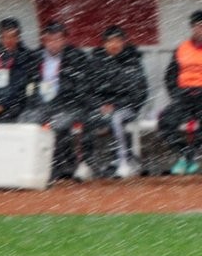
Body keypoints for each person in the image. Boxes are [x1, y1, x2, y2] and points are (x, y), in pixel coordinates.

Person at [21, 22, 91, 180]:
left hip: (68, 106)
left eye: (58, 39)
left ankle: (56, 166)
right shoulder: (35, 57)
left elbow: (81, 88)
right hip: (41, 104)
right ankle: (29, 166)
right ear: (44, 40)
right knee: (26, 122)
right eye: (50, 39)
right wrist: (34, 102)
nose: (53, 43)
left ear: (65, 40)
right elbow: (29, 84)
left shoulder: (76, 57)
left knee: (57, 125)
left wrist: (64, 98)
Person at [86, 25, 148, 179]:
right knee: (84, 119)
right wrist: (99, 105)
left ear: (123, 42)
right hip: (101, 107)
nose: (114, 45)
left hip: (127, 108)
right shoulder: (95, 63)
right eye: (110, 41)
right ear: (104, 44)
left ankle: (123, 162)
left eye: (117, 41)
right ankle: (86, 164)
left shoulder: (132, 62)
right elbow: (86, 90)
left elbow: (139, 93)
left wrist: (115, 106)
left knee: (116, 119)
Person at [158, 10, 202, 175]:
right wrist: (176, 94)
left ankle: (192, 155)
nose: (201, 30)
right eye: (198, 26)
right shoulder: (182, 49)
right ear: (192, 28)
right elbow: (170, 76)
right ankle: (186, 153)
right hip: (183, 96)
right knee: (165, 121)